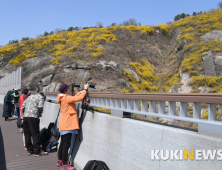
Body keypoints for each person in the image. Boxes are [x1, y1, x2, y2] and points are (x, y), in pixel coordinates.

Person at [56, 83, 89, 170]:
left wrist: (79, 92)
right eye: (69, 89)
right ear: (66, 91)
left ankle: (59, 160)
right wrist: (85, 90)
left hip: (64, 123)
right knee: (66, 145)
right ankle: (65, 164)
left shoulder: (63, 97)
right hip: (67, 124)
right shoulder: (66, 98)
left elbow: (73, 99)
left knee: (63, 143)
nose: (70, 90)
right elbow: (78, 99)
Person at [21, 92, 48, 156]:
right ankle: (37, 151)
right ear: (43, 96)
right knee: (35, 134)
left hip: (25, 117)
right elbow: (40, 106)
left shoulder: (29, 97)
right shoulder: (41, 98)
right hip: (33, 117)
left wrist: (26, 112)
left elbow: (23, 106)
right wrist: (40, 113)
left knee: (27, 134)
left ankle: (30, 150)